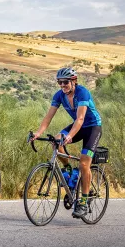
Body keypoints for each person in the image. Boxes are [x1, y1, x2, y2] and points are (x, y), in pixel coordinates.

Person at [32, 67, 102, 218]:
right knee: (57, 140)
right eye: (59, 82)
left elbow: (80, 119)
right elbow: (48, 116)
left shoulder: (82, 93)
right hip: (78, 126)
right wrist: (38, 132)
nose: (62, 85)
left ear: (74, 81)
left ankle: (83, 201)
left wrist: (70, 136)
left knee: (84, 163)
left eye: (65, 82)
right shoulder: (59, 95)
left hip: (92, 128)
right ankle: (68, 169)